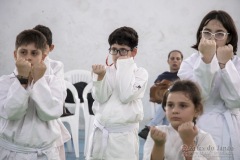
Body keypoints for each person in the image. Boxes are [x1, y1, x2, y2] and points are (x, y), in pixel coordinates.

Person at [177, 10, 240, 159]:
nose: (212, 38)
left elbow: (235, 101)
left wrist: (225, 65)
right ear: (200, 35)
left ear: (228, 37)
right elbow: (196, 97)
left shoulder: (236, 63)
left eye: (219, 33)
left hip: (230, 127)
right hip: (202, 125)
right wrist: (206, 60)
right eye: (207, 32)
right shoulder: (190, 63)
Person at [0, 29, 69, 159]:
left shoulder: (54, 82)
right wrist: (22, 80)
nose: (28, 57)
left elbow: (50, 113)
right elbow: (11, 113)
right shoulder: (4, 82)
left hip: (44, 153)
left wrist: (39, 81)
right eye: (23, 52)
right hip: (13, 153)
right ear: (15, 55)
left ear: (43, 57)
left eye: (34, 53)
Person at [87, 26, 148, 160]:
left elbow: (126, 95)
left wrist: (124, 65)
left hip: (123, 138)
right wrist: (101, 77)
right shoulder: (105, 71)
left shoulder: (140, 74)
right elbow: (100, 97)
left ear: (134, 52)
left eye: (123, 51)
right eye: (114, 50)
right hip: (101, 134)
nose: (118, 55)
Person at [143, 80, 219, 160]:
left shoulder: (203, 138)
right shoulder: (158, 134)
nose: (174, 110)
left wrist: (189, 142)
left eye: (182, 106)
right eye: (170, 105)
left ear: (197, 110)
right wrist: (159, 145)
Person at [138, 50, 183, 140]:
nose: (175, 61)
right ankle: (163, 134)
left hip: (180, 107)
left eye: (178, 59)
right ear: (168, 61)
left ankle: (151, 126)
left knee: (169, 101)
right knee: (167, 104)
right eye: (172, 58)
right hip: (164, 106)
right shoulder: (163, 76)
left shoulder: (183, 75)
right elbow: (154, 94)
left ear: (181, 61)